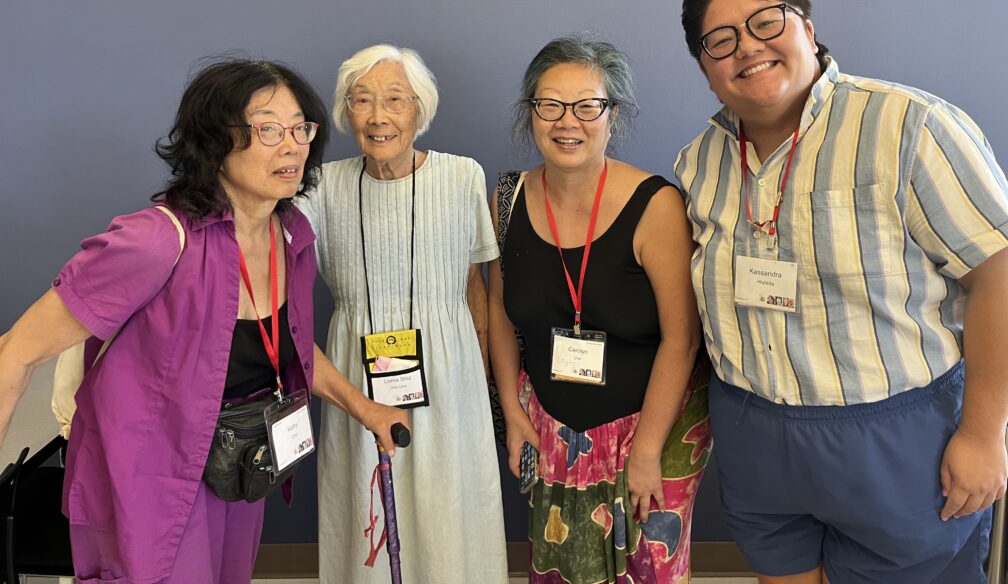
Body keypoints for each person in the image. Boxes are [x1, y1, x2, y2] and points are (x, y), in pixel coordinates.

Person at [675, 0, 1008, 583]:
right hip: (755, 430)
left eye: (765, 22)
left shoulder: (909, 125)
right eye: (720, 41)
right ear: (705, 68)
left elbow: (1003, 277)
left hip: (895, 436)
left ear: (807, 28)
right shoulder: (699, 163)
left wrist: (983, 431)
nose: (746, 49)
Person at [0, 58, 408, 584]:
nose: (292, 146)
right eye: (266, 128)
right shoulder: (155, 241)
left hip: (241, 458)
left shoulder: (290, 234)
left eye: (300, 127)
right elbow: (17, 349)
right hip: (151, 471)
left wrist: (365, 408)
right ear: (214, 141)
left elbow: (293, 347)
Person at [488, 36, 711, 583]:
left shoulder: (656, 205)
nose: (569, 121)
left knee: (648, 572)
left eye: (589, 105)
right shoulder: (507, 198)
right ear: (531, 113)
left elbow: (682, 340)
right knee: (566, 569)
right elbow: (495, 309)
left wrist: (647, 451)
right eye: (550, 105)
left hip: (653, 428)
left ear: (614, 115)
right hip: (553, 426)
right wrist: (513, 413)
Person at [295, 44, 507, 584]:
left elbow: (473, 284)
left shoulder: (462, 177)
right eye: (361, 100)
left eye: (394, 99)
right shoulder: (320, 187)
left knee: (448, 505)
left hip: (447, 366)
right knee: (365, 503)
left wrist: (479, 372)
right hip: (354, 372)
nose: (377, 116)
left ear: (420, 109)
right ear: (346, 114)